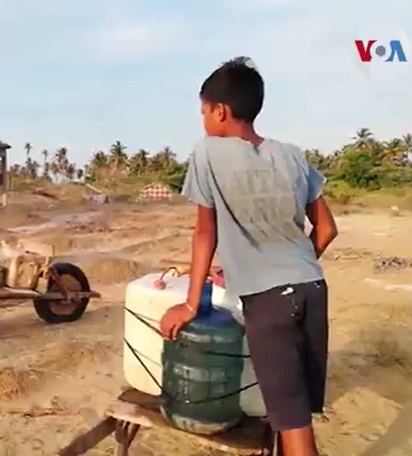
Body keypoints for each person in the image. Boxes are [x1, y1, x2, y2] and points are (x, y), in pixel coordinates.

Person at [159, 57, 338, 456]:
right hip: (312, 289)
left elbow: (206, 232)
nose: (203, 121)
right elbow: (326, 230)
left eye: (203, 112)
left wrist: (190, 305)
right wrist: (291, 267)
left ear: (219, 110)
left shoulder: (207, 153)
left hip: (269, 302)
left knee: (293, 427)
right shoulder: (293, 155)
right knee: (293, 413)